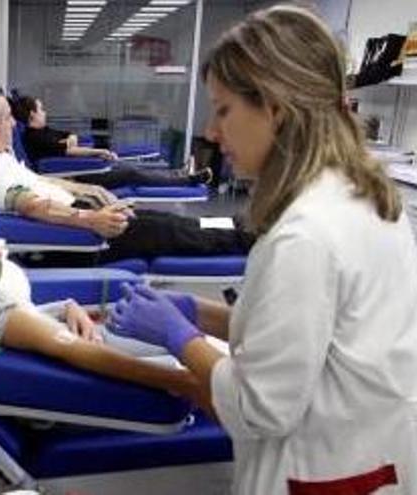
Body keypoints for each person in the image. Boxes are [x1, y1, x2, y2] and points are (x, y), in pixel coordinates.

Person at [107, 6, 417, 494]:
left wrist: (179, 338)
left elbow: (259, 407)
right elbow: (314, 341)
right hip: (371, 453)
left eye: (224, 108)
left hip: (317, 472)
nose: (212, 131)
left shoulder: (305, 237)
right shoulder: (369, 199)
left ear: (275, 106)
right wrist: (199, 313)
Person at [0, 116, 196, 396]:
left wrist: (64, 308)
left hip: (67, 334)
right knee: (198, 361)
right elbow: (59, 345)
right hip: (67, 373)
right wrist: (183, 384)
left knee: (200, 344)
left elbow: (10, 318)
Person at [0, 89, 254, 267]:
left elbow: (42, 182)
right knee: (164, 231)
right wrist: (92, 219)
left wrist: (89, 189)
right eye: (8, 118)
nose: (15, 123)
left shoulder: (2, 156)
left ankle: (228, 224)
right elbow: (32, 205)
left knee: (162, 220)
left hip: (81, 212)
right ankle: (243, 238)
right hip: (74, 239)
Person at [12, 95, 212, 188]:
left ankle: (178, 174)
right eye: (41, 109)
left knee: (128, 169)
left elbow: (70, 137)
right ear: (32, 115)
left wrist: (71, 142)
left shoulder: (42, 131)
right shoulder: (34, 137)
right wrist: (98, 152)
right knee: (132, 174)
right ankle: (186, 180)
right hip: (75, 178)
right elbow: (68, 151)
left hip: (81, 170)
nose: (45, 112)